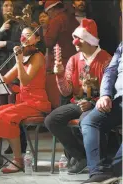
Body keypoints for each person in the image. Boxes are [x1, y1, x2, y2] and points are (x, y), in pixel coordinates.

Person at [44, 18, 112, 174]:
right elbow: (66, 92)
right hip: (77, 103)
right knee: (51, 120)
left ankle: (96, 160)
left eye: (79, 38)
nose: (75, 42)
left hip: (97, 105)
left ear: (88, 40)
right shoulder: (74, 60)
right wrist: (60, 75)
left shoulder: (106, 59)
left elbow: (110, 91)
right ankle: (80, 156)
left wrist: (93, 104)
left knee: (85, 120)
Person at [0, 27, 51, 173]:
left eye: (29, 35)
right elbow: (6, 79)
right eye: (23, 36)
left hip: (36, 102)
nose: (24, 39)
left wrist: (18, 59)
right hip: (23, 102)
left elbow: (25, 79)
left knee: (7, 116)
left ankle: (17, 160)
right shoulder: (23, 57)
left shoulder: (37, 56)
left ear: (37, 39)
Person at [80, 42, 122, 183]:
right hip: (119, 99)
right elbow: (110, 71)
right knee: (90, 121)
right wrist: (105, 94)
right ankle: (99, 172)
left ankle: (115, 171)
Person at [0, 0, 21, 106]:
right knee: (1, 100)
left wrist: (5, 43)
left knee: (12, 98)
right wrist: (0, 31)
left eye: (11, 6)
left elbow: (21, 44)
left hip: (13, 64)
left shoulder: (18, 24)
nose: (9, 8)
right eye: (6, 6)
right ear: (0, 8)